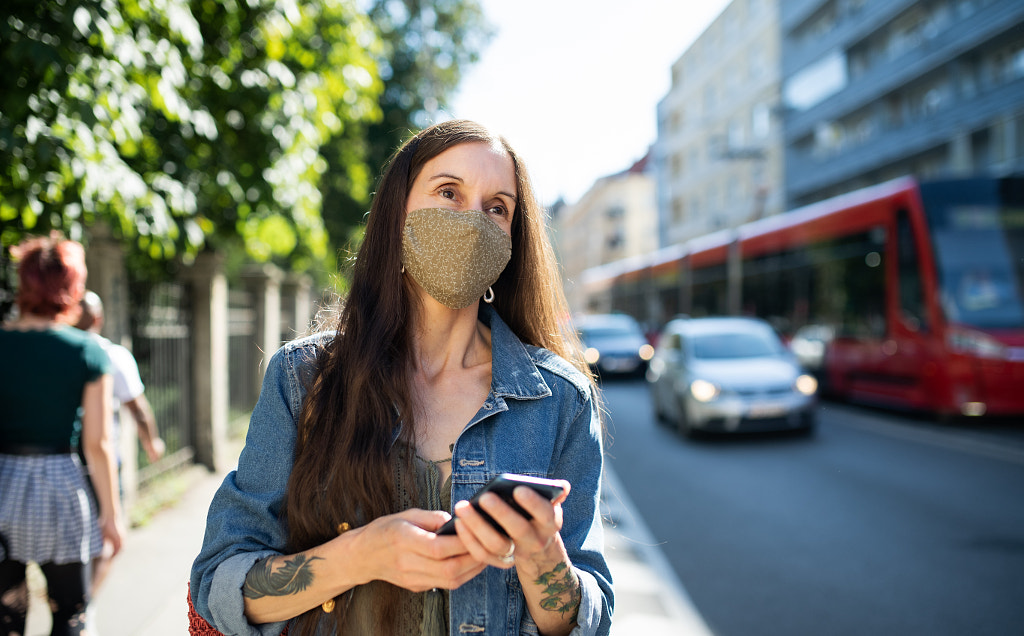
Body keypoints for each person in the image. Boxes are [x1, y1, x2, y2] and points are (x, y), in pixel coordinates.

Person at [190, 119, 613, 636]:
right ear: (397, 215)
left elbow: (588, 618)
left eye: (496, 207)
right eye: (448, 192)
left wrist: (544, 557)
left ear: (511, 240)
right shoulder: (303, 380)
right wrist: (359, 556)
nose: (472, 220)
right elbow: (219, 583)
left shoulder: (561, 400)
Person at [0, 232, 125, 635]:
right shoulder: (87, 351)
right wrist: (111, 515)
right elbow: (98, 444)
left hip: (2, 485)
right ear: (72, 286)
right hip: (60, 490)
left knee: (6, 617)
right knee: (71, 612)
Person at [75, 290, 165, 593]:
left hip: (63, 461)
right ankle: (83, 605)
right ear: (98, 318)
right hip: (103, 461)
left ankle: (75, 604)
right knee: (110, 538)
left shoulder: (55, 352)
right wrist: (151, 441)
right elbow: (137, 408)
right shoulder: (111, 354)